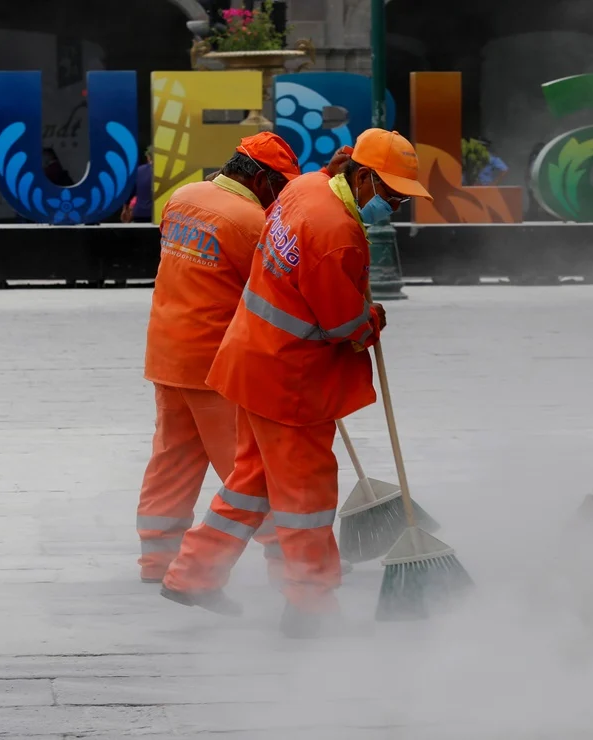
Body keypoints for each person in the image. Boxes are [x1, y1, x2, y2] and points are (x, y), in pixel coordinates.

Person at [161, 128, 433, 638]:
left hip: (251, 359)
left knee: (252, 480)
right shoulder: (338, 235)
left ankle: (193, 573)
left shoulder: (306, 187)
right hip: (291, 382)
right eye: (392, 193)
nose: (395, 204)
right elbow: (343, 327)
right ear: (364, 176)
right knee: (307, 493)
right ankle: (310, 603)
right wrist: (370, 320)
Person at [136, 132, 302, 585]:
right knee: (247, 467)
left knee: (173, 458)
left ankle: (156, 557)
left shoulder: (183, 197)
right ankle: (289, 557)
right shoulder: (252, 221)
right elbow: (274, 289)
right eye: (281, 185)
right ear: (261, 178)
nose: (283, 194)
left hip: (167, 352)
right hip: (214, 363)